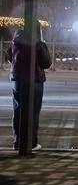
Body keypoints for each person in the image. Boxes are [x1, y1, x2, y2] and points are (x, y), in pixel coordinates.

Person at [11, 22, 51, 151]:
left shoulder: (15, 40)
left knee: (18, 110)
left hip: (17, 79)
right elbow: (46, 63)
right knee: (32, 112)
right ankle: (31, 142)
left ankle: (18, 141)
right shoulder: (38, 43)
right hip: (34, 79)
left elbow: (9, 57)